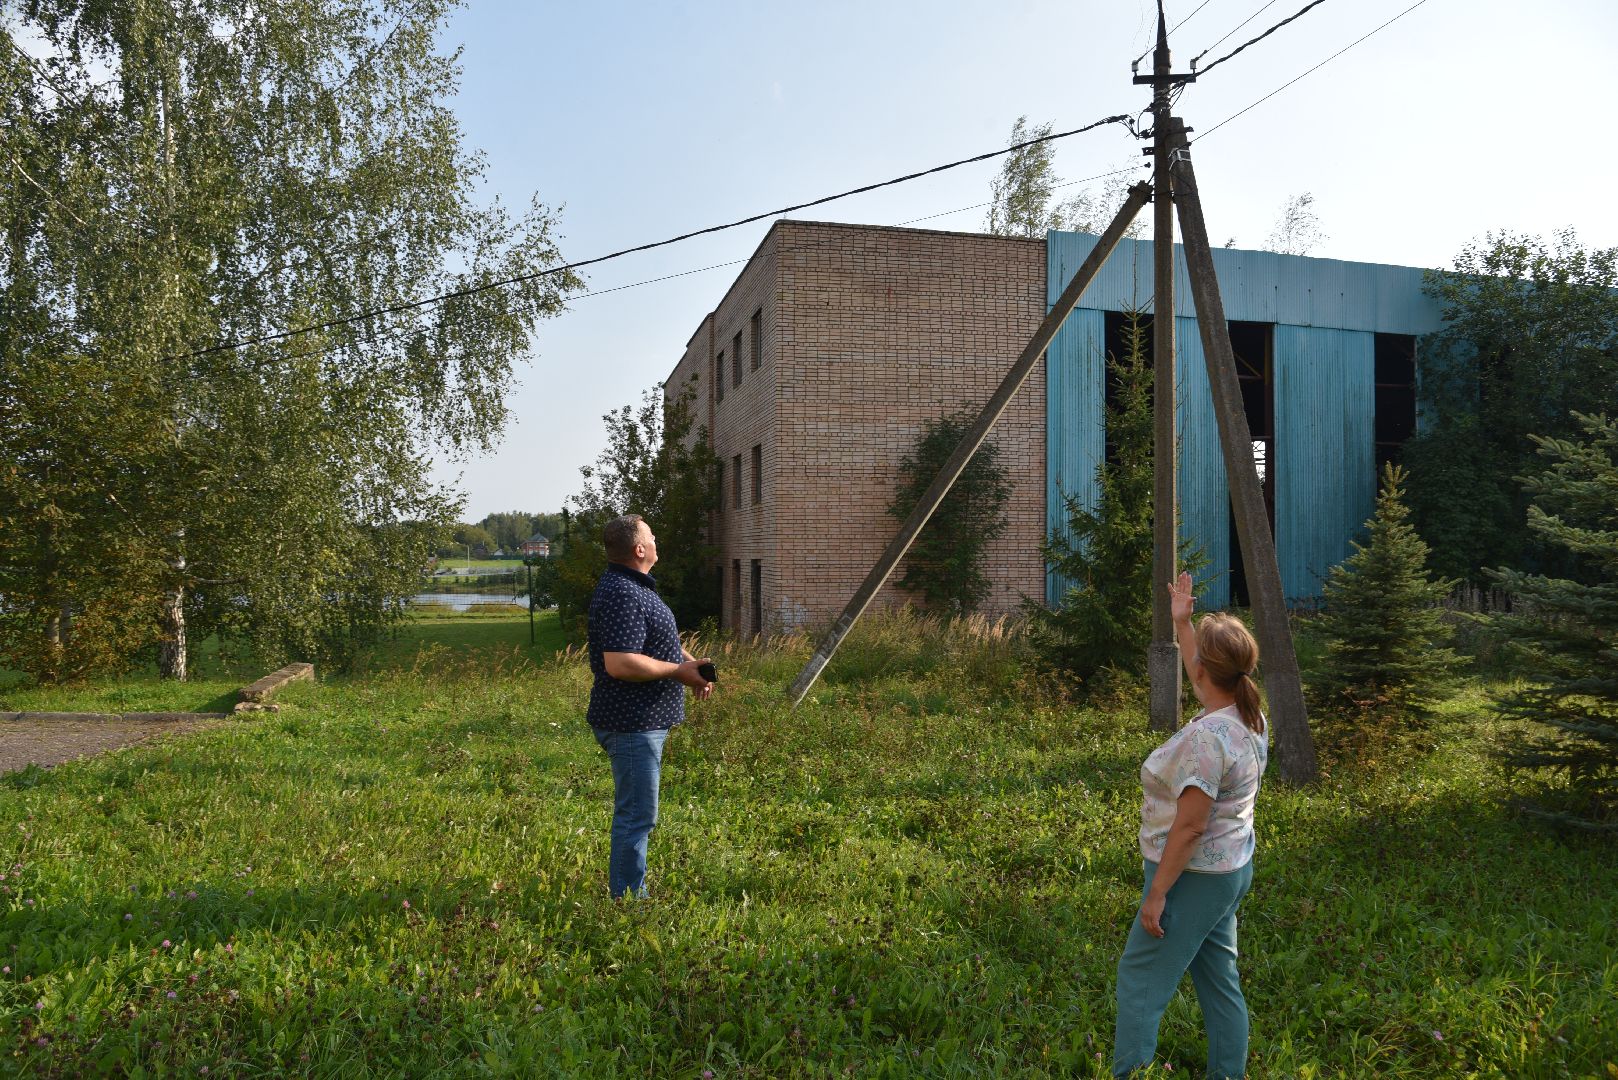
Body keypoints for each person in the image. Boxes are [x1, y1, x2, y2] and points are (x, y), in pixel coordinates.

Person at [1113, 571, 1269, 1079]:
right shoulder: (1248, 715)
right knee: (1220, 981)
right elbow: (1204, 679)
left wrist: (1157, 893)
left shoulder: (1208, 738)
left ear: (1204, 667)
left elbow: (1190, 827)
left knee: (1140, 979)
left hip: (1191, 875)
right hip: (1229, 869)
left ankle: (1130, 1073)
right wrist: (1183, 624)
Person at [586, 514, 713, 899]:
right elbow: (620, 662)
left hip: (640, 722)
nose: (658, 540)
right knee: (637, 815)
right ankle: (627, 901)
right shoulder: (623, 592)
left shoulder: (634, 587)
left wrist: (689, 665)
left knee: (639, 812)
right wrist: (678, 671)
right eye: (652, 536)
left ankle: (628, 893)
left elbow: (657, 642)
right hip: (631, 723)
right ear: (640, 549)